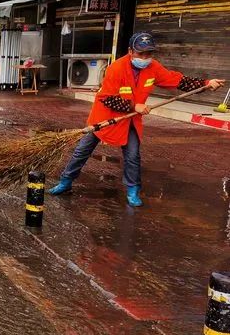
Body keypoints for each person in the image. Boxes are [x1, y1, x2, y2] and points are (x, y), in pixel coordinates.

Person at [50, 32, 224, 206]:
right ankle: (65, 182)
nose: (145, 57)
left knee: (133, 156)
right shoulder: (116, 68)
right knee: (82, 150)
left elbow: (177, 80)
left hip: (129, 120)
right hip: (104, 118)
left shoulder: (153, 67)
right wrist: (135, 106)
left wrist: (206, 83)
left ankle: (133, 191)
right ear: (130, 51)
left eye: (148, 54)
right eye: (141, 54)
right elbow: (107, 97)